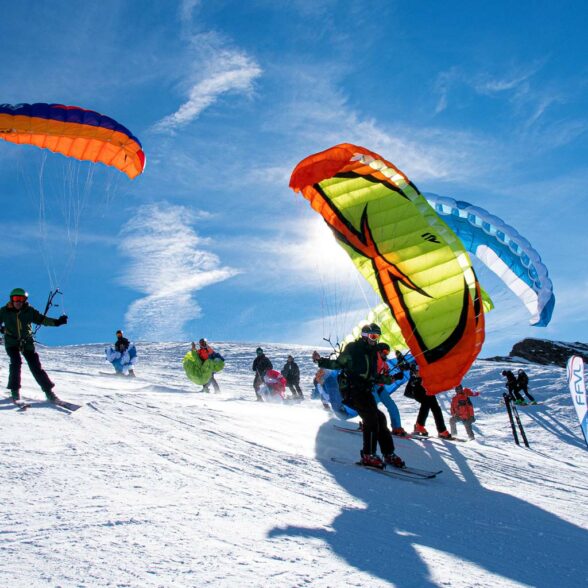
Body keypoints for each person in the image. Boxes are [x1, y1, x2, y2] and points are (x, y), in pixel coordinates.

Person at [312, 323, 405, 469]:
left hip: (365, 390)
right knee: (371, 419)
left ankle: (388, 453)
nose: (375, 340)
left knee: (380, 418)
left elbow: (374, 376)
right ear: (364, 335)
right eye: (372, 336)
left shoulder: (372, 353)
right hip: (351, 390)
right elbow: (338, 364)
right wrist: (320, 361)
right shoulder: (353, 349)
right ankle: (369, 455)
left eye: (377, 337)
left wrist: (389, 379)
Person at [0, 288, 68, 403]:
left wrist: (57, 322)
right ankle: (15, 392)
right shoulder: (4, 311)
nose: (18, 301)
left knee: (36, 366)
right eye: (16, 298)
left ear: (24, 300)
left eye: (21, 299)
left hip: (27, 342)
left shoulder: (29, 311)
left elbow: (42, 320)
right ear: (12, 299)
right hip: (11, 342)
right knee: (15, 363)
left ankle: (49, 392)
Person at [405, 364, 453, 439]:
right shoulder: (413, 379)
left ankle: (441, 431)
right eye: (418, 371)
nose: (420, 372)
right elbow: (407, 392)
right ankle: (419, 426)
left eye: (420, 371)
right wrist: (415, 394)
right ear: (414, 372)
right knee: (426, 405)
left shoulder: (424, 374)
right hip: (420, 393)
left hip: (429, 392)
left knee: (436, 409)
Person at [372, 344, 408, 436]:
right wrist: (393, 378)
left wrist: (395, 377)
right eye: (385, 352)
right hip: (371, 387)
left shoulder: (385, 364)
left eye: (388, 352)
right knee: (371, 408)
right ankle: (368, 424)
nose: (386, 354)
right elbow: (375, 377)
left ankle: (397, 427)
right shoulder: (373, 360)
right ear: (379, 352)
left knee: (392, 406)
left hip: (380, 388)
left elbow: (387, 379)